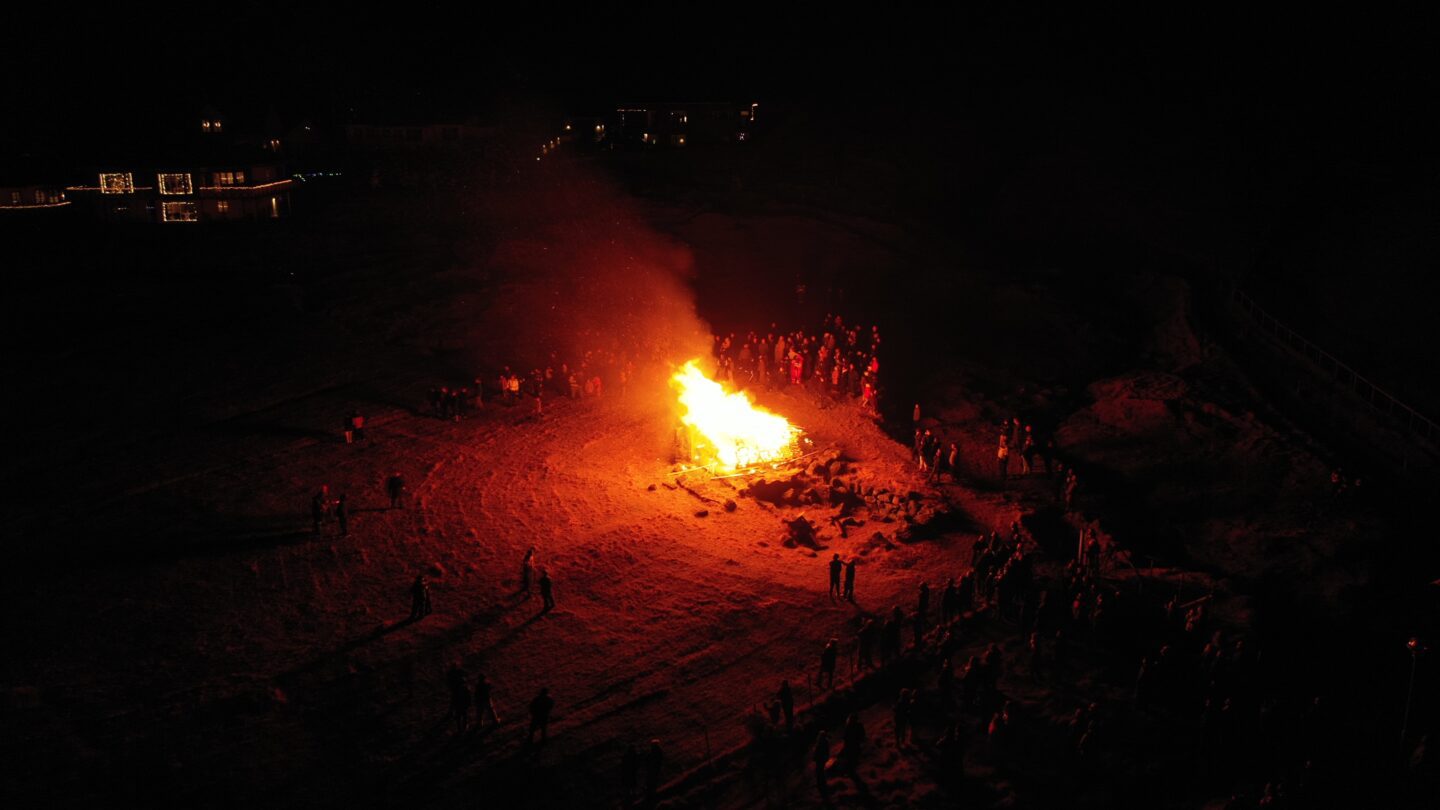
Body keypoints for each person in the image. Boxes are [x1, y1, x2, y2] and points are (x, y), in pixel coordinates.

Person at [447, 664, 471, 734]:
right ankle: (464, 727)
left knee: (458, 717)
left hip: (458, 705)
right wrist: (468, 704)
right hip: (463, 705)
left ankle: (459, 729)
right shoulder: (466, 689)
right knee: (464, 716)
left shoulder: (456, 689)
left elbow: (454, 699)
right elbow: (468, 697)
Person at [813, 730, 831, 797]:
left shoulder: (821, 742)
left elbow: (818, 751)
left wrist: (815, 757)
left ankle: (820, 783)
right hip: (822, 758)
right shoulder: (825, 742)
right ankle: (821, 782)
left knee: (819, 770)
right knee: (820, 770)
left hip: (820, 758)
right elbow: (826, 751)